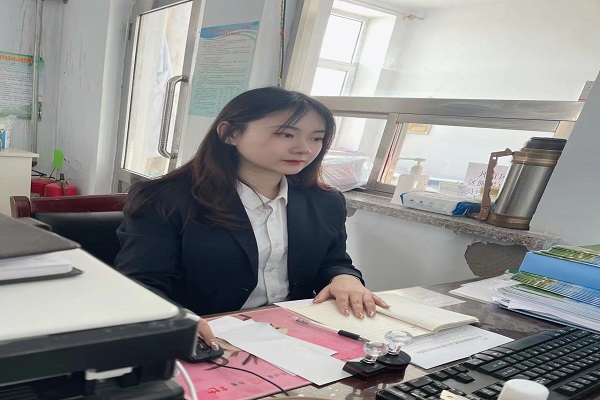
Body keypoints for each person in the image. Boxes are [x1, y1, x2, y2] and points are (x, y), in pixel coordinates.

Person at [114, 86, 388, 349]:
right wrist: (176, 318)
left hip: (294, 334)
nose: (304, 149)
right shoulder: (164, 199)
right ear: (230, 133)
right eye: (286, 134)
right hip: (206, 337)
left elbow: (333, 261)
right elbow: (141, 282)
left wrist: (345, 277)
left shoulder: (324, 201)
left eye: (316, 138)